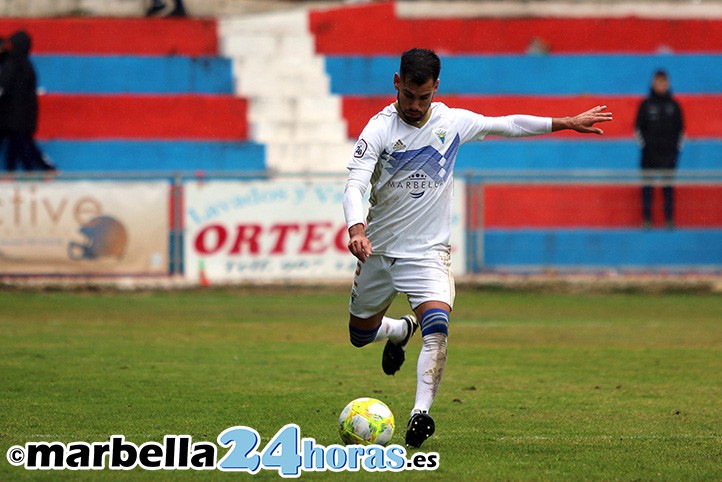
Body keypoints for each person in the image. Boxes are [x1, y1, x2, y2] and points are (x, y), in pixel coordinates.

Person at [343, 48, 612, 448]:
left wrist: (565, 122)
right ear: (397, 83)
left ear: (436, 88)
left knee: (438, 327)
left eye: (424, 97)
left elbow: (509, 125)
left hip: (428, 254)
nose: (416, 106)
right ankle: (399, 330)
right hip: (377, 250)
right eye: (409, 96)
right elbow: (355, 185)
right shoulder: (378, 129)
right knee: (359, 336)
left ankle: (420, 413)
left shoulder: (452, 122)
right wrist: (357, 230)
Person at [635, 69, 684, 229]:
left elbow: (681, 130)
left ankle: (669, 220)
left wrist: (676, 151)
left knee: (668, 188)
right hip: (649, 155)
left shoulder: (674, 105)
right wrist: (645, 147)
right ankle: (646, 220)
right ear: (653, 83)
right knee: (647, 188)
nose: (661, 85)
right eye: (658, 82)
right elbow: (637, 129)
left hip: (669, 155)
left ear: (667, 83)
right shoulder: (645, 105)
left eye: (663, 82)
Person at [0, 31, 55, 172]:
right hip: (19, 115)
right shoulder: (25, 65)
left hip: (14, 115)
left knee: (22, 144)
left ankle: (45, 169)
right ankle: (19, 171)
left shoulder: (12, 64)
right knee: (18, 144)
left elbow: (3, 86)